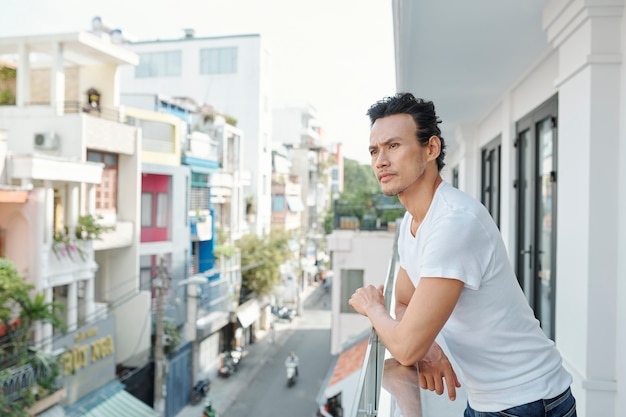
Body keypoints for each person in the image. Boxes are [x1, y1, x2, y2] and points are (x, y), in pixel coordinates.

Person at [348, 92, 576, 416]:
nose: (381, 160)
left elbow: (405, 347)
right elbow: (403, 302)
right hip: (490, 399)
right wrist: (425, 348)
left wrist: (372, 307)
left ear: (431, 149)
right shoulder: (411, 223)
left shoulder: (454, 222)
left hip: (527, 400)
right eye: (374, 150)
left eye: (394, 146)